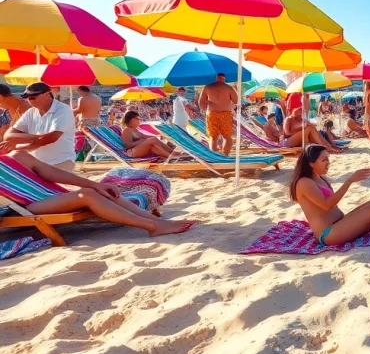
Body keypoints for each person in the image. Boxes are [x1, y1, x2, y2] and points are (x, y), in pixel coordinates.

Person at [0, 143, 194, 236]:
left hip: (53, 196)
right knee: (88, 195)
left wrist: (95, 183)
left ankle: (154, 220)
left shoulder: (17, 156)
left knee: (103, 191)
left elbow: (53, 174)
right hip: (26, 207)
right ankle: (152, 227)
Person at [3, 82, 77, 171]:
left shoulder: (63, 110)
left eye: (33, 97)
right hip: (37, 163)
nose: (30, 100)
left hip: (60, 162)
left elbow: (52, 138)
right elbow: (8, 136)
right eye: (27, 98)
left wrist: (26, 145)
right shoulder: (31, 112)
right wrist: (38, 137)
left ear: (47, 95)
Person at [198, 73, 238, 155]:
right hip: (226, 113)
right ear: (222, 78)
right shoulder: (228, 87)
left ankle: (215, 156)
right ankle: (225, 155)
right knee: (227, 137)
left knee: (213, 137)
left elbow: (201, 102)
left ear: (216, 78)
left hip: (212, 113)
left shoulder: (208, 87)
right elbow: (236, 100)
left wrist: (205, 110)